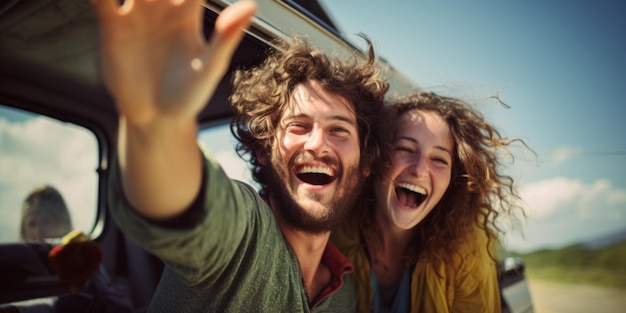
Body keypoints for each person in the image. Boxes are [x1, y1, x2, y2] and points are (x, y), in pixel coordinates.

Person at [91, 0, 390, 311]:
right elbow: (182, 204)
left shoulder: (347, 296)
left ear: (366, 161)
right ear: (263, 150)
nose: (317, 144)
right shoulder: (242, 234)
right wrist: (153, 126)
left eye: (339, 130)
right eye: (299, 126)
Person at [331, 91, 529, 312]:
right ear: (377, 154)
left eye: (439, 159)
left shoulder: (466, 246)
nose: (420, 170)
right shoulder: (334, 228)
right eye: (405, 149)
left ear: (452, 180)